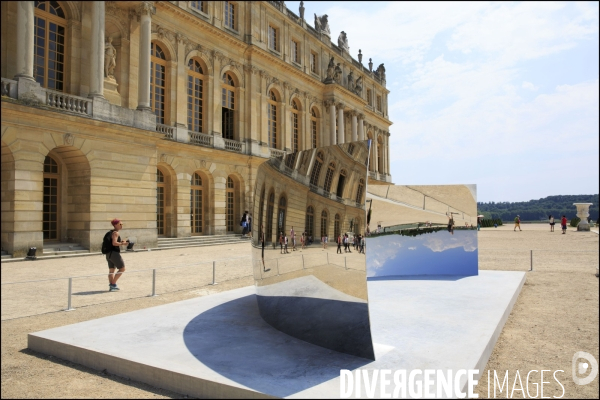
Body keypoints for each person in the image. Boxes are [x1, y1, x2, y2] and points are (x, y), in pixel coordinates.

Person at [107, 218, 128, 291]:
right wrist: (123, 243)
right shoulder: (116, 233)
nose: (121, 226)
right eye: (120, 224)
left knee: (111, 270)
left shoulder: (111, 232)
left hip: (108, 253)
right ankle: (113, 283)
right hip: (114, 253)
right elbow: (114, 243)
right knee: (122, 268)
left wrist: (121, 242)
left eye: (122, 224)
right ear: (115, 225)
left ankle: (112, 287)